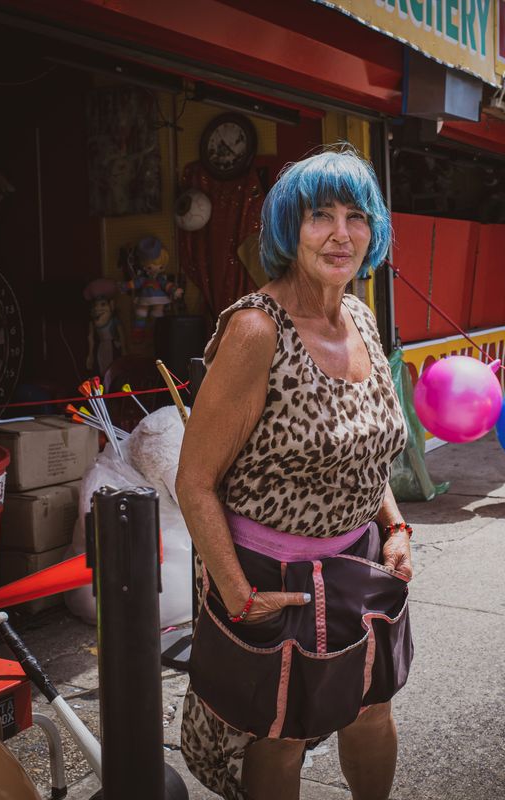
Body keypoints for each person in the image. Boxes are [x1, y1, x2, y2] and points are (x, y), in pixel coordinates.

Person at [176, 148, 413, 800]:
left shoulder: (361, 317)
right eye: (320, 216)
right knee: (280, 735)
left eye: (356, 216)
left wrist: (395, 528)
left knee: (371, 710)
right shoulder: (258, 330)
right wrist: (237, 596)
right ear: (289, 228)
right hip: (272, 578)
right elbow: (194, 480)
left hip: (360, 565)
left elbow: (362, 451)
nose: (341, 233)